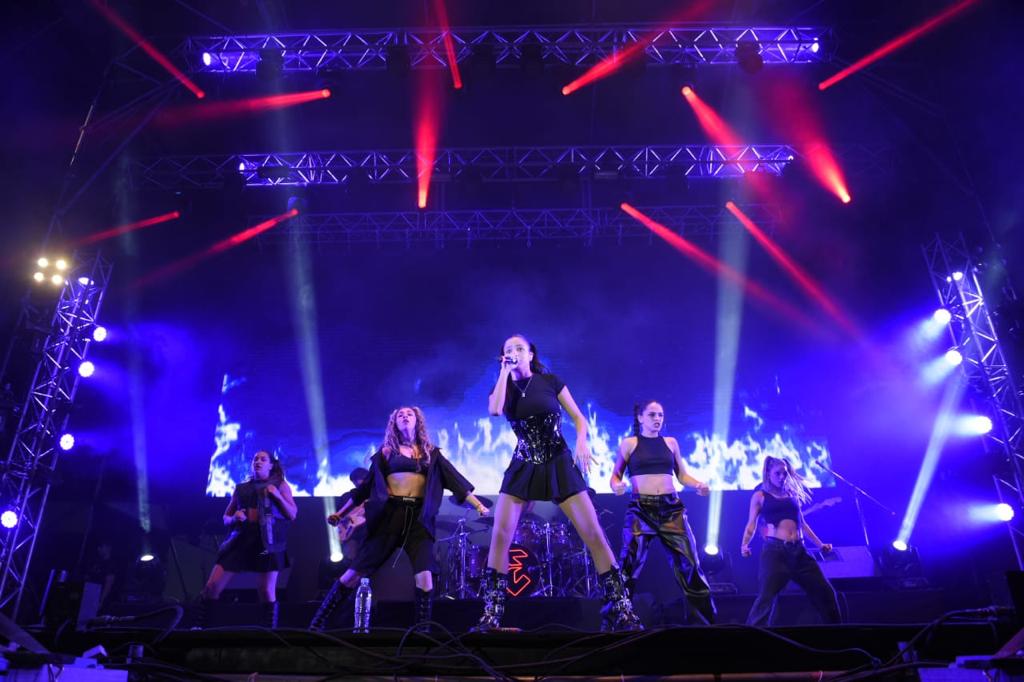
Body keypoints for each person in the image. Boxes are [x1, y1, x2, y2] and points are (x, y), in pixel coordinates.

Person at [473, 334, 642, 632]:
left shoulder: (550, 381)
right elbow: (495, 410)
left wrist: (582, 441)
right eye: (508, 349)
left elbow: (579, 418)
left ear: (531, 354)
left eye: (520, 348)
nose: (514, 352)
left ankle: (623, 610)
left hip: (558, 461)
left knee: (593, 533)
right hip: (524, 464)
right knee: (500, 536)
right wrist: (503, 373)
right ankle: (491, 615)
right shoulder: (503, 387)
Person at [310, 407, 489, 631]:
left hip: (419, 519)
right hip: (390, 516)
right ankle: (316, 624)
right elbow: (364, 489)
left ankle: (423, 633)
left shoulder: (431, 453)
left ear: (417, 421)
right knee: (353, 574)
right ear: (394, 423)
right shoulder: (387, 453)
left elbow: (455, 481)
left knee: (425, 578)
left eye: (409, 414)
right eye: (400, 415)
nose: (405, 417)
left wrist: (478, 505)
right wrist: (340, 513)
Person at [610, 400, 716, 624]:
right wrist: (616, 486)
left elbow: (682, 475)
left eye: (660, 415)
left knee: (690, 564)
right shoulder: (629, 443)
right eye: (652, 415)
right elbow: (615, 476)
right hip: (641, 509)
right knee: (628, 565)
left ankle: (704, 624)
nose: (657, 419)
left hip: (671, 510)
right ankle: (617, 622)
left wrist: (698, 484)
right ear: (640, 417)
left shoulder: (671, 442)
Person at [199, 449, 297, 628]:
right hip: (240, 541)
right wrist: (234, 518)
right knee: (211, 587)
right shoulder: (241, 488)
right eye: (255, 459)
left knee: (266, 591)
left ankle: (269, 632)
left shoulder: (280, 485)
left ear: (271, 465)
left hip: (267, 543)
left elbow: (292, 514)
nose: (258, 461)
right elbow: (226, 517)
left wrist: (276, 495)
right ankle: (203, 627)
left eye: (263, 459)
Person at [740, 455, 841, 626]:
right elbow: (751, 524)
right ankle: (753, 636)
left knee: (826, 593)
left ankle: (838, 633)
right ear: (768, 473)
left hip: (800, 552)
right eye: (777, 473)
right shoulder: (760, 496)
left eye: (785, 473)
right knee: (766, 599)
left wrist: (820, 544)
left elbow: (803, 524)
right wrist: (744, 544)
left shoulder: (791, 494)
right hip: (775, 552)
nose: (782, 477)